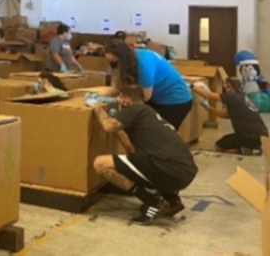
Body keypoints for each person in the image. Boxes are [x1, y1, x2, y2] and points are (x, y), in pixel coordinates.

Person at [91, 85, 198, 225]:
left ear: (124, 101)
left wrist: (96, 107)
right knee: (140, 160)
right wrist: (117, 125)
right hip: (184, 172)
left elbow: (109, 126)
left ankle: (153, 202)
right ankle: (173, 200)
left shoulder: (133, 109)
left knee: (100, 163)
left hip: (168, 169)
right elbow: (130, 148)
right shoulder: (149, 113)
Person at [104, 40, 193, 129]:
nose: (112, 65)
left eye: (113, 61)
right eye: (109, 61)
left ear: (122, 58)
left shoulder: (143, 63)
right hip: (158, 97)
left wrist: (125, 100)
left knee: (157, 133)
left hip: (174, 101)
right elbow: (118, 83)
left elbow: (145, 96)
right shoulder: (130, 57)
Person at [191, 77, 268, 155]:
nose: (226, 90)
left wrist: (190, 86)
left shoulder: (232, 97)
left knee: (219, 146)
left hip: (247, 135)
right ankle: (253, 147)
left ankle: (244, 150)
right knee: (226, 140)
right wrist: (209, 108)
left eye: (227, 87)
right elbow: (225, 115)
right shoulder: (243, 97)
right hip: (259, 135)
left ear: (232, 87)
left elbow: (208, 95)